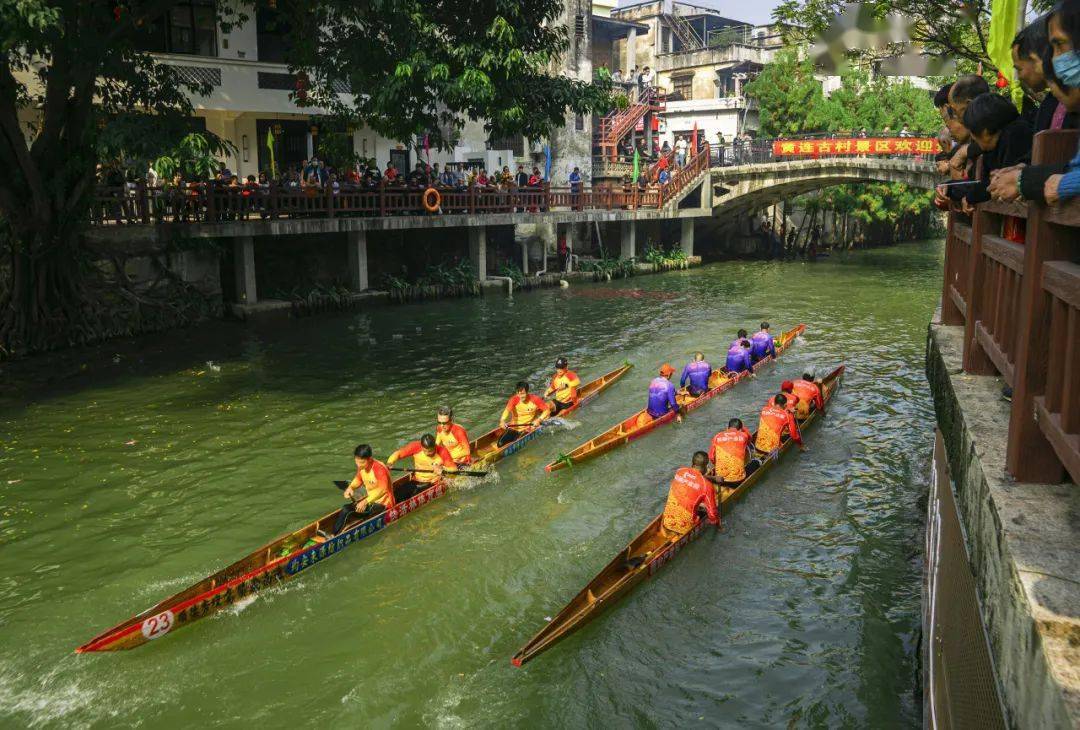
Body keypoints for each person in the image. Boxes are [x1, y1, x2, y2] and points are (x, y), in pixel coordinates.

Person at [333, 444, 395, 535]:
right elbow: (358, 479)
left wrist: (365, 501)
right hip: (371, 501)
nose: (358, 465)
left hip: (384, 504)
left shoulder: (379, 469)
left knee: (346, 509)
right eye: (356, 462)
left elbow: (383, 489)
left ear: (369, 459)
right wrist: (351, 487)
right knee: (347, 509)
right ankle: (338, 531)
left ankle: (334, 535)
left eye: (361, 462)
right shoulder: (362, 467)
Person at [660, 452, 720, 536]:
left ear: (692, 463)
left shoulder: (680, 471)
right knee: (707, 508)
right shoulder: (707, 485)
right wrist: (717, 524)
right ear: (706, 467)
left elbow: (693, 478)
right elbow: (712, 514)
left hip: (666, 522)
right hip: (685, 528)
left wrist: (712, 478)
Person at [387, 433, 457, 499]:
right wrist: (390, 462)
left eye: (430, 451)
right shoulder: (415, 446)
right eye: (425, 451)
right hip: (416, 480)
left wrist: (442, 471)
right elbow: (398, 454)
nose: (427, 453)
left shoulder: (442, 451)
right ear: (421, 446)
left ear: (435, 446)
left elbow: (454, 470)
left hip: (433, 483)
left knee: (411, 495)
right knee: (396, 494)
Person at [498, 381, 551, 447]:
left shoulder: (535, 399)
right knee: (500, 444)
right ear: (516, 392)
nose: (520, 396)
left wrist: (539, 420)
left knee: (515, 443)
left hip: (528, 427)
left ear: (527, 392)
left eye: (523, 394)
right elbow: (506, 411)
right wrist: (502, 420)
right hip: (514, 427)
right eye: (519, 394)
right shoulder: (513, 400)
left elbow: (547, 410)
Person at [709, 418, 754, 484]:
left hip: (719, 478)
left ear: (727, 428)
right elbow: (750, 438)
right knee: (756, 462)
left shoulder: (717, 436)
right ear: (740, 429)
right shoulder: (744, 436)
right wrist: (743, 428)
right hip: (739, 479)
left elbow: (711, 457)